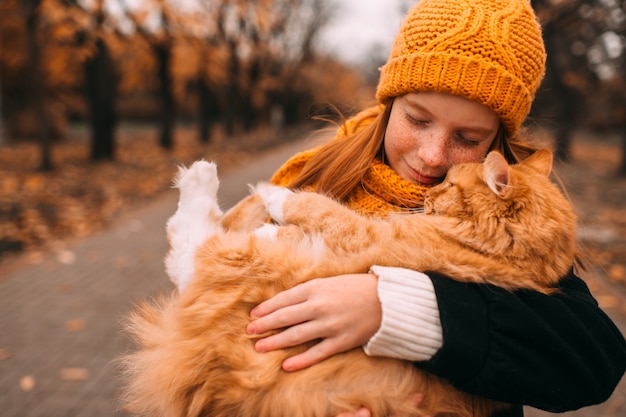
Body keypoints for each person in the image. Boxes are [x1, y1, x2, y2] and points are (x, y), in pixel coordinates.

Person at [245, 0, 626, 416]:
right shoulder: (313, 179)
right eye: (418, 120)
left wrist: (401, 309)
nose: (432, 156)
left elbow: (593, 361)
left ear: (495, 141)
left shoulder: (508, 219)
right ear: (390, 103)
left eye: (467, 137)